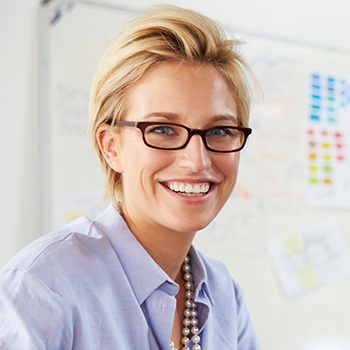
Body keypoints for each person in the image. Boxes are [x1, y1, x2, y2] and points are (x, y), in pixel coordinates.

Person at [0, 5, 259, 350]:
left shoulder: (224, 295)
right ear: (111, 146)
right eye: (163, 129)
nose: (197, 160)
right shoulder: (41, 288)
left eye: (220, 130)